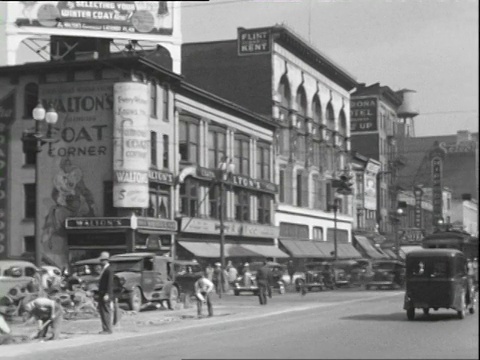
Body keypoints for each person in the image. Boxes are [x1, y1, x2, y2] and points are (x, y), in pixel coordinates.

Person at [97, 251, 114, 334]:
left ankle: (108, 329)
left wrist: (107, 294)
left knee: (105, 310)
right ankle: (105, 328)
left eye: (102, 260)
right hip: (102, 293)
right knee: (102, 311)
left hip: (105, 294)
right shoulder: (105, 269)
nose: (101, 262)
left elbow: (110, 283)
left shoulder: (109, 270)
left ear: (106, 260)